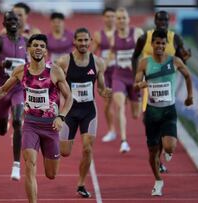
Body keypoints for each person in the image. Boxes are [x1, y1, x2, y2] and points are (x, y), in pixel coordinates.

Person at [0, 34, 73, 203]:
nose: (38, 48)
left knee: (51, 174)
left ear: (46, 51)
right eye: (35, 45)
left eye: (42, 46)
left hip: (51, 127)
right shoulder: (20, 71)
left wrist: (61, 117)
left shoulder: (54, 71)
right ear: (29, 49)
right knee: (29, 166)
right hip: (30, 125)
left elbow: (69, 97)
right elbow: (4, 89)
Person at [134, 29, 193, 196]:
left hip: (168, 110)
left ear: (166, 45)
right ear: (151, 44)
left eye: (162, 43)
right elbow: (136, 82)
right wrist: (139, 85)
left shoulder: (174, 61)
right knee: (153, 151)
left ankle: (168, 149)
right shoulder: (145, 63)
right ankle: (158, 180)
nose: (159, 46)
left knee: (169, 146)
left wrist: (190, 96)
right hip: (152, 112)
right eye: (157, 43)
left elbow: (188, 76)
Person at [56, 28, 112, 198]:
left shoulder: (98, 62)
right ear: (74, 41)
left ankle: (81, 184)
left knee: (87, 148)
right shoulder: (64, 61)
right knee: (65, 152)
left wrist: (105, 92)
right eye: (80, 40)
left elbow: (101, 88)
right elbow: (54, 83)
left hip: (88, 111)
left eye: (86, 40)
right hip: (70, 111)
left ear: (90, 42)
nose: (83, 44)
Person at [0, 11, 27, 181]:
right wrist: (2, 64)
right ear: (4, 24)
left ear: (20, 23)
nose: (12, 23)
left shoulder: (27, 41)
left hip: (19, 88)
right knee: (2, 130)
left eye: (15, 20)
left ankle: (16, 165)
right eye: (9, 20)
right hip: (3, 88)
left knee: (18, 122)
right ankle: (2, 122)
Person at [109, 7, 143, 152]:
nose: (121, 21)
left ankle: (129, 96)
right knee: (119, 106)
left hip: (135, 78)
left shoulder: (137, 33)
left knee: (136, 114)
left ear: (128, 19)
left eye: (124, 18)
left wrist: (139, 66)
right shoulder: (113, 36)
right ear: (115, 21)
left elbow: (146, 53)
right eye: (119, 18)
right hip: (119, 76)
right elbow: (110, 56)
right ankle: (124, 141)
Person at [0, 2, 40, 68]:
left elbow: (42, 50)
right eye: (15, 15)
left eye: (20, 15)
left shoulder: (34, 32)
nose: (17, 17)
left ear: (26, 15)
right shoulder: (5, 31)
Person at [91, 7, 117, 142]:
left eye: (113, 16)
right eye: (107, 16)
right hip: (106, 72)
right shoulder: (98, 35)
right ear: (103, 18)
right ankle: (112, 129)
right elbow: (93, 53)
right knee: (108, 102)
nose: (110, 19)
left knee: (133, 110)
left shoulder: (121, 33)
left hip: (120, 71)